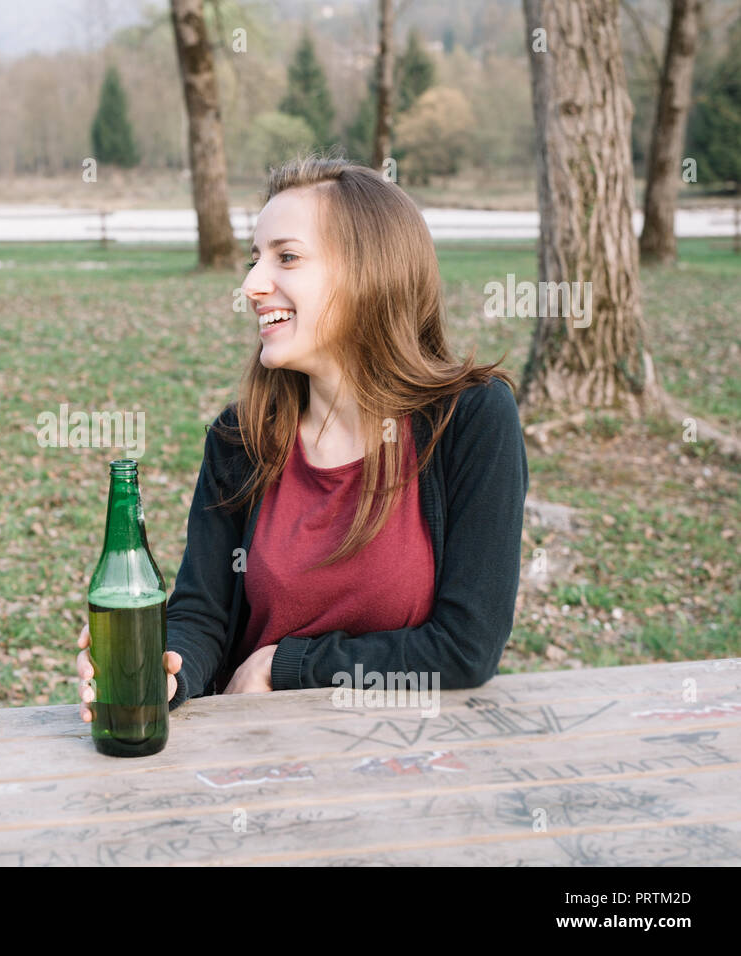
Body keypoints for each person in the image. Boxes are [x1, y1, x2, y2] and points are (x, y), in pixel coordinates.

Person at [77, 153, 528, 716]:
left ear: (370, 273)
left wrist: (284, 665)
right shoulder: (240, 439)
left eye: (286, 257)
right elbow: (202, 617)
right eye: (254, 259)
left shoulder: (470, 419)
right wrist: (160, 669)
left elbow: (465, 648)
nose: (251, 284)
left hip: (408, 760)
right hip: (257, 755)